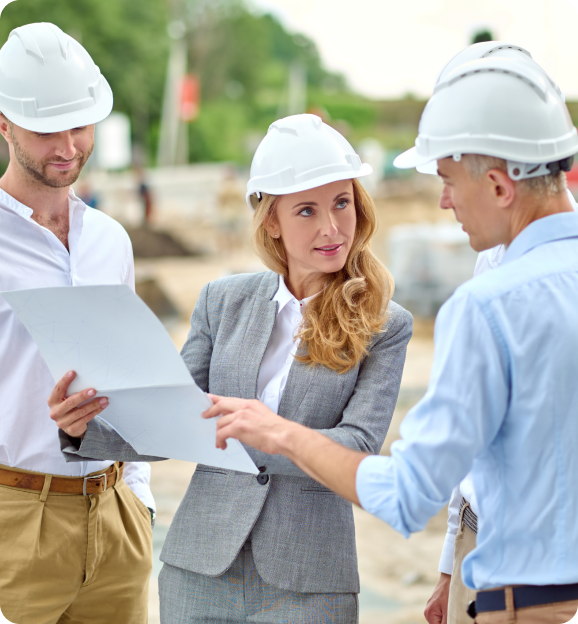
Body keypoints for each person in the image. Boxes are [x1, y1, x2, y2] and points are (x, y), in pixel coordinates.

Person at [203, 57, 578, 624]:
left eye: (448, 181)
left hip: (533, 603)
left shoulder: (491, 305)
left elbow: (409, 493)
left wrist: (280, 432)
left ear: (500, 185)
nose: (444, 201)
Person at [51, 113, 413, 623]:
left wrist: (274, 433)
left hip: (308, 579)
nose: (332, 228)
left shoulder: (384, 323)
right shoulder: (222, 301)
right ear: (272, 222)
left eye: (342, 203)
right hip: (200, 567)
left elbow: (359, 447)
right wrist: (86, 428)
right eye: (306, 210)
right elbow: (172, 423)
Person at [0, 23, 154, 624]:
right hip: (16, 522)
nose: (67, 145)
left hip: (115, 520)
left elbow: (130, 374)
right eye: (46, 129)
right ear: (5, 123)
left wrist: (137, 499)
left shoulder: (110, 241)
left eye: (80, 125)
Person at [420, 41, 578, 624]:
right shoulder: (494, 256)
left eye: (449, 178)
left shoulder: (507, 286)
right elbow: (478, 447)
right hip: (482, 543)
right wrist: (449, 566)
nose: (444, 202)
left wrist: (289, 439)